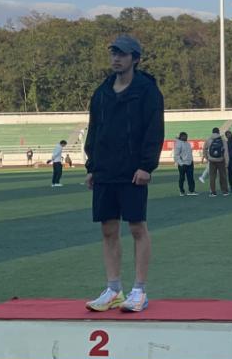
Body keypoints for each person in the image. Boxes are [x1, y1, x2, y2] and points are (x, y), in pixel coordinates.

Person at [83, 35, 165, 313]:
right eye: (114, 53)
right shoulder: (102, 92)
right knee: (108, 229)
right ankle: (113, 289)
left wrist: (146, 166)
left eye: (122, 54)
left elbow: (154, 129)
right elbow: (94, 130)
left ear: (135, 58)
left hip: (133, 170)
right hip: (105, 169)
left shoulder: (147, 91)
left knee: (137, 227)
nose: (116, 58)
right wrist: (92, 166)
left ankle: (139, 290)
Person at [203, 127, 229, 196]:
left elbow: (204, 149)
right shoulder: (222, 140)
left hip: (212, 160)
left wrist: (207, 158)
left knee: (212, 177)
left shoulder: (208, 139)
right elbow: (226, 152)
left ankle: (213, 192)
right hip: (221, 160)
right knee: (223, 176)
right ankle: (225, 191)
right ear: (218, 132)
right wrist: (227, 162)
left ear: (212, 132)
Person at [173, 131, 197, 196]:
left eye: (186, 136)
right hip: (182, 164)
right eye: (185, 136)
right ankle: (181, 191)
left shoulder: (188, 143)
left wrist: (191, 161)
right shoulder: (178, 144)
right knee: (182, 178)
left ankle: (191, 191)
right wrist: (181, 163)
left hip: (190, 163)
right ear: (181, 137)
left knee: (191, 178)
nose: (186, 137)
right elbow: (176, 155)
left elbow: (189, 153)